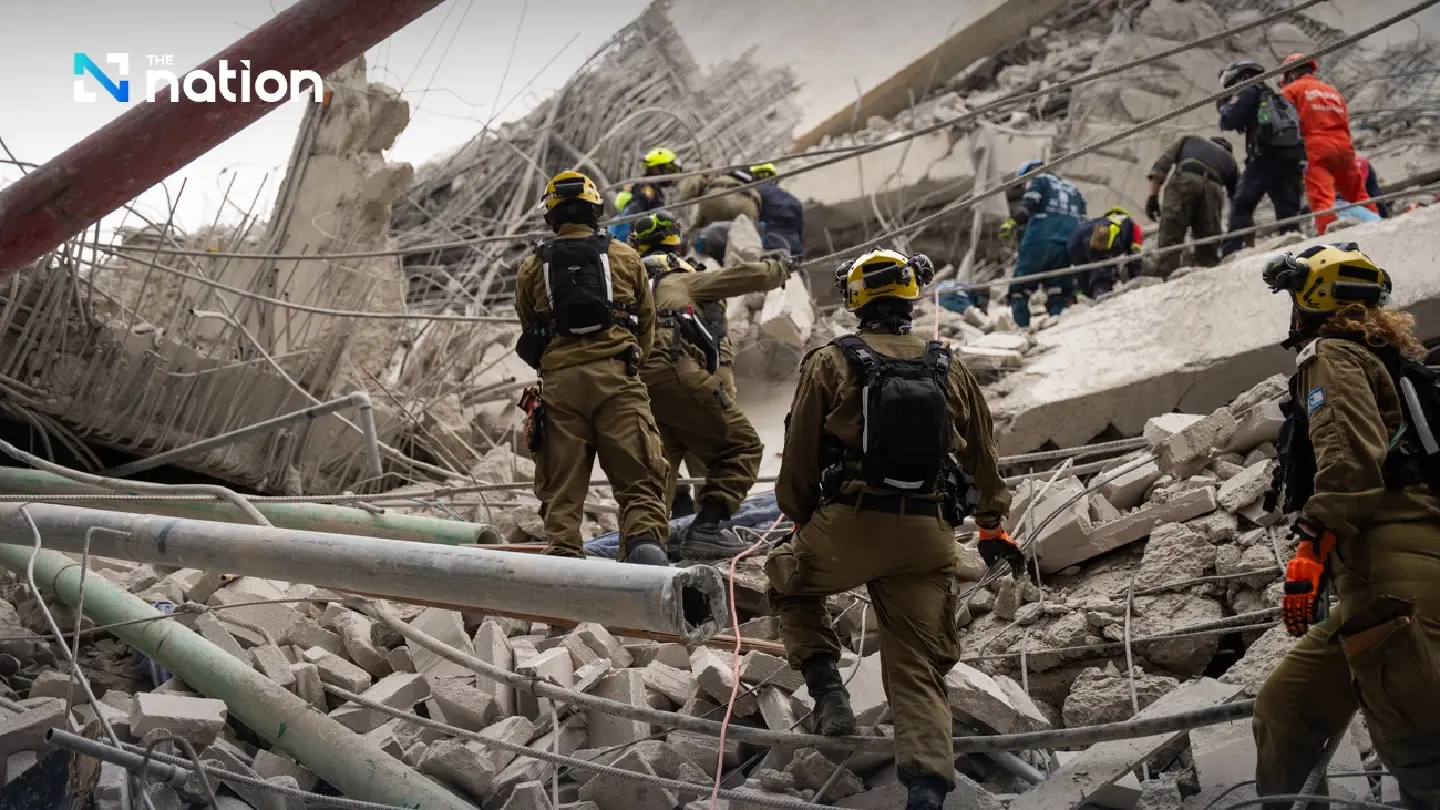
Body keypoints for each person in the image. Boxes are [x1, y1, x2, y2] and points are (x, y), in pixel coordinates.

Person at [765, 248, 1020, 810]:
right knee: (917, 667)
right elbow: (985, 456)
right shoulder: (948, 365)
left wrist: (808, 520)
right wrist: (992, 527)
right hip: (930, 535)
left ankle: (829, 695)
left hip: (849, 525)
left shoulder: (830, 361)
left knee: (788, 578)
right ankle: (927, 789)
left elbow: (798, 468)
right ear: (911, 298)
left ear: (856, 300)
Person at [1253, 242, 1440, 807]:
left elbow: (1352, 464)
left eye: (1292, 297)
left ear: (1316, 298)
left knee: (1422, 753)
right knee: (1286, 709)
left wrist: (1312, 544)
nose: (1289, 312)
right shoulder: (1387, 358)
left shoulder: (1329, 354)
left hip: (1387, 565)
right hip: (1392, 568)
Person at [513, 171, 672, 566]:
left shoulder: (532, 266)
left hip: (561, 387)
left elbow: (528, 326)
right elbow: (647, 324)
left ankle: (566, 567)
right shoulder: (625, 256)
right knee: (640, 483)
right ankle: (644, 561)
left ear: (551, 215)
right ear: (595, 209)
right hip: (618, 379)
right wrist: (629, 365)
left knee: (560, 491)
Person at [630, 210, 792, 559]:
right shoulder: (682, 280)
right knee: (741, 448)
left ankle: (646, 550)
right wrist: (778, 268)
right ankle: (706, 530)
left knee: (658, 473)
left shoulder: (627, 290)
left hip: (636, 389)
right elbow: (741, 279)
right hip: (678, 373)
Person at [1279, 54, 1377, 235]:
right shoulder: (1333, 92)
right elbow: (1345, 123)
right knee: (1358, 194)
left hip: (1315, 148)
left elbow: (1282, 124)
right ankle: (1379, 225)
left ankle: (1329, 236)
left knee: (1322, 199)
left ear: (1291, 73)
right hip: (1344, 148)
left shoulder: (1292, 90)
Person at [1218, 59, 1307, 257]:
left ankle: (1229, 253)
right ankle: (1296, 253)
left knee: (1242, 205)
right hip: (1290, 158)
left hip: (1264, 158)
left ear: (1242, 77)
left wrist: (1223, 106)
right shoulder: (1276, 96)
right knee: (1288, 213)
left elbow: (1228, 120)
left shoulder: (1248, 90)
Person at [1002, 160, 1086, 327]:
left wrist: (1012, 222)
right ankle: (1057, 326)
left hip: (1039, 241)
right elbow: (1083, 221)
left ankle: (1022, 330)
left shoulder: (1039, 178)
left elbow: (1029, 204)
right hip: (1067, 245)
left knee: (1019, 290)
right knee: (1058, 291)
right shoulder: (1074, 190)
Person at [1147, 134, 1238, 277]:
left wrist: (1153, 196)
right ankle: (1208, 277)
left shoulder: (1190, 140)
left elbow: (1163, 164)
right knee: (1208, 244)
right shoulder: (1230, 160)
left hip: (1185, 179)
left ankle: (1165, 278)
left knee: (1171, 237)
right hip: (1214, 188)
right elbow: (1238, 200)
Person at [609, 147, 684, 244]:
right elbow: (635, 213)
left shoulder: (651, 189)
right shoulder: (646, 189)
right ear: (655, 169)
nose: (670, 175)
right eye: (668, 170)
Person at [1066, 206, 1142, 297]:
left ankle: (1087, 296)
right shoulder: (1130, 224)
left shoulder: (1097, 221)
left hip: (1074, 239)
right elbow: (1135, 255)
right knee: (1103, 270)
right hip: (1102, 233)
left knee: (1084, 273)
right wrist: (1137, 277)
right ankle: (1102, 293)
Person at [677, 167, 763, 231]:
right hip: (748, 204)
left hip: (717, 195)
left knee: (699, 230)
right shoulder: (756, 187)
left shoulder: (720, 175)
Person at [749, 163, 805, 258]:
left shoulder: (755, 195)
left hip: (771, 245)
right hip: (795, 246)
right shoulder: (793, 200)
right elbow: (800, 230)